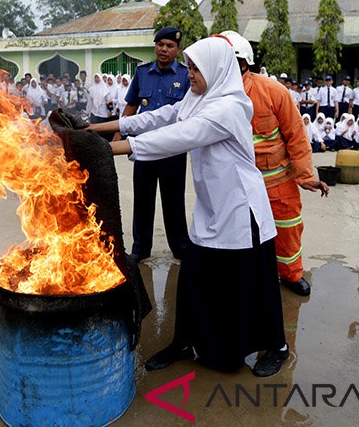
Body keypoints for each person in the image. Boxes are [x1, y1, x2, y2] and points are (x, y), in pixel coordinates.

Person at [88, 36, 289, 377]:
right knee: (194, 279)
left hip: (241, 212)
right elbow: (156, 119)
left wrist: (108, 150)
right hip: (212, 209)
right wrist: (95, 129)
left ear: (216, 69)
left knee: (255, 286)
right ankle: (185, 341)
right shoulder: (197, 98)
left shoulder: (229, 107)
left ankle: (277, 346)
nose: (190, 74)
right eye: (191, 67)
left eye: (196, 68)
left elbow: (179, 137)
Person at [221, 30, 329, 296]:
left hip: (277, 181)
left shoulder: (272, 91)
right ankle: (244, 276)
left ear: (243, 64)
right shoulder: (211, 96)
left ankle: (291, 275)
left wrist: (305, 176)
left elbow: (296, 135)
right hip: (235, 183)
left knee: (287, 229)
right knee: (239, 231)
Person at [120, 26, 191, 261]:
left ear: (177, 50)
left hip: (173, 148)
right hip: (144, 147)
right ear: (155, 46)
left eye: (170, 46)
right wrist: (117, 136)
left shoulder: (185, 75)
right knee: (143, 198)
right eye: (160, 44)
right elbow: (131, 107)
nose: (164, 49)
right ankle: (140, 248)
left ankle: (180, 247)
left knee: (173, 199)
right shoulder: (142, 73)